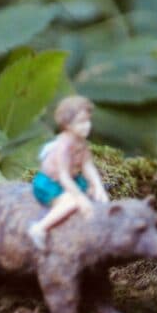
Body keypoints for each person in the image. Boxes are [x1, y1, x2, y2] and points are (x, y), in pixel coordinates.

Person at [26, 95, 109, 249]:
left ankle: (87, 233)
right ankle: (39, 228)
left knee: (94, 196)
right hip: (51, 184)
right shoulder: (63, 146)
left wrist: (98, 186)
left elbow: (88, 166)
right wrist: (79, 198)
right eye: (81, 122)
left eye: (88, 121)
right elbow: (63, 176)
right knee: (73, 203)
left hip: (73, 180)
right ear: (67, 125)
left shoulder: (82, 143)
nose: (87, 126)